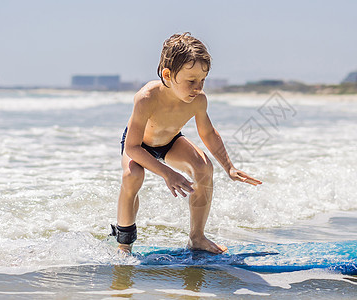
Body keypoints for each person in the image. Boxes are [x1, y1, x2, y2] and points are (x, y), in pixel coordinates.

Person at [111, 33, 262, 254]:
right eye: (191, 81)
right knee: (132, 175)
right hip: (138, 146)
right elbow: (132, 148)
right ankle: (124, 244)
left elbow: (208, 133)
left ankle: (197, 237)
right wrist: (168, 173)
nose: (198, 87)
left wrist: (229, 167)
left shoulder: (198, 100)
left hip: (170, 142)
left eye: (202, 80)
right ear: (168, 75)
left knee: (203, 168)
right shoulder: (147, 98)